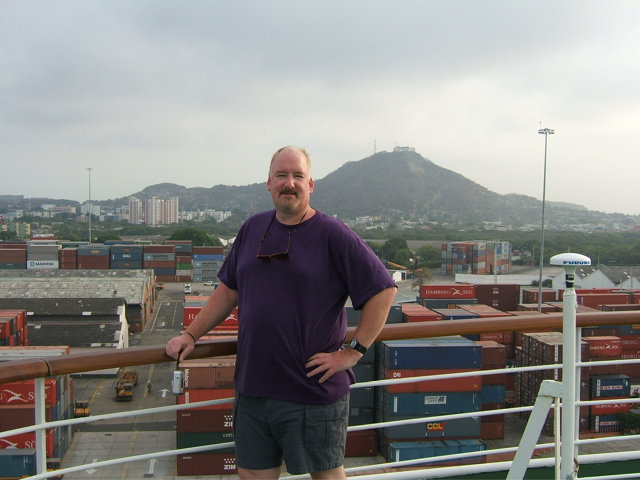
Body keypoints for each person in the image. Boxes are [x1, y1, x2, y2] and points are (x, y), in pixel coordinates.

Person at [166, 146, 397, 479]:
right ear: (269, 183)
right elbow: (229, 291)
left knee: (327, 477)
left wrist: (353, 351)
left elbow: (383, 289)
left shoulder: (333, 234)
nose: (290, 183)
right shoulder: (252, 228)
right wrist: (191, 334)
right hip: (253, 391)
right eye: (282, 175)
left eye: (298, 176)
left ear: (311, 185)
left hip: (312, 392)